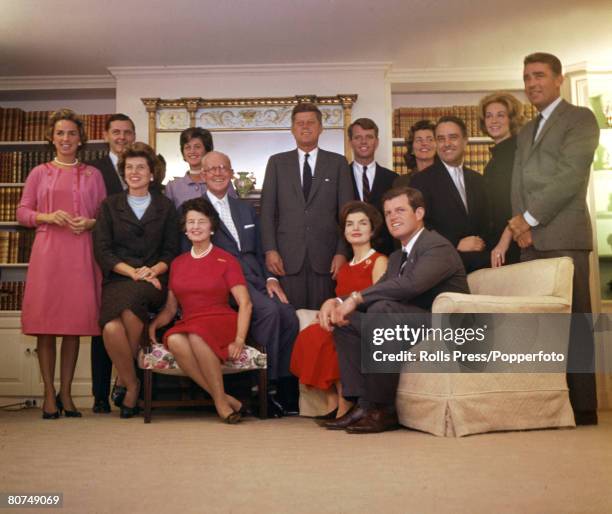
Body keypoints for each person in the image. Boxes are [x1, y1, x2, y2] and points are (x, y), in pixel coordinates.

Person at [318, 187, 468, 433]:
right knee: (346, 321)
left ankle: (384, 409)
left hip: (445, 324)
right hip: (409, 322)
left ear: (419, 213)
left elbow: (409, 286)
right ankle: (362, 404)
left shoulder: (436, 246)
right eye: (388, 213)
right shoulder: (398, 256)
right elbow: (381, 288)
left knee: (382, 309)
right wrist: (334, 301)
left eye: (400, 210)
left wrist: (355, 297)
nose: (393, 217)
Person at [509, 52, 600, 425]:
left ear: (559, 79)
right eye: (527, 77)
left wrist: (529, 218)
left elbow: (570, 175)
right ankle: (545, 407)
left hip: (564, 237)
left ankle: (583, 409)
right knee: (540, 330)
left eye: (540, 76)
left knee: (575, 325)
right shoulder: (526, 130)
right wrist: (519, 225)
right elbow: (517, 182)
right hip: (529, 243)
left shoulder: (580, 118)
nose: (532, 83)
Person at [17, 108, 106, 419]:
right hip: (48, 252)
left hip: (81, 252)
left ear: (80, 139)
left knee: (73, 326)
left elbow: (103, 216)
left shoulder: (94, 175)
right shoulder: (39, 172)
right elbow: (23, 212)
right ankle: (47, 394)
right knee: (46, 327)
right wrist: (47, 216)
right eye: (60, 133)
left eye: (71, 133)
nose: (66, 138)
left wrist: (91, 222)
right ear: (51, 138)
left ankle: (66, 393)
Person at [202, 150, 300, 415]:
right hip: (223, 280)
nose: (219, 173)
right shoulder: (196, 210)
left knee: (288, 314)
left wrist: (270, 278)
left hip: (255, 275)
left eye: (224, 168)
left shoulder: (244, 208)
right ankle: (262, 389)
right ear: (203, 175)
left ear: (232, 174)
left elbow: (259, 249)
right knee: (268, 312)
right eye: (212, 169)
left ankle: (283, 386)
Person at [93, 142, 179, 418]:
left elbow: (171, 250)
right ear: (123, 172)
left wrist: (152, 271)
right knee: (111, 329)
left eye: (141, 167)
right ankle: (132, 381)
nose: (135, 172)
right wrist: (133, 272)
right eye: (129, 167)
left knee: (131, 307)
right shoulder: (109, 205)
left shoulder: (165, 206)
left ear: (152, 173)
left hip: (154, 281)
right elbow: (103, 251)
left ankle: (125, 384)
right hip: (118, 278)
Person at [148, 198, 252, 424]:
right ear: (184, 228)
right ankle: (223, 397)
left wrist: (239, 339)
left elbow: (245, 303)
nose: (195, 226)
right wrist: (155, 324)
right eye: (190, 222)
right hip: (192, 322)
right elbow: (171, 307)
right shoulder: (177, 263)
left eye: (201, 222)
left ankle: (220, 404)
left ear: (212, 227)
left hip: (221, 320)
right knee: (174, 339)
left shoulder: (227, 260)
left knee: (196, 335)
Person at [290, 201, 388, 419]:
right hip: (341, 321)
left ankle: (346, 402)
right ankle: (335, 400)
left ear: (372, 229)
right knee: (311, 335)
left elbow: (378, 301)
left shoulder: (379, 260)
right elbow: (339, 298)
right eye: (350, 224)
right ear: (344, 231)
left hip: (363, 323)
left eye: (362, 223)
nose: (355, 228)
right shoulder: (343, 268)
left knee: (326, 337)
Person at [260, 102, 355, 310]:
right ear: (292, 129)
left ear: (321, 128)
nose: (305, 127)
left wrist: (342, 252)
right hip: (286, 258)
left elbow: (347, 215)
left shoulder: (337, 163)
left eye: (311, 123)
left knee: (324, 320)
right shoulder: (276, 163)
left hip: (327, 259)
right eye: (300, 123)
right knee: (291, 320)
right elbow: (267, 212)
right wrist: (270, 249)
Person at [88, 113, 136, 414]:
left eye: (127, 133)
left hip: (138, 261)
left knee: (130, 323)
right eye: (116, 132)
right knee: (103, 325)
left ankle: (127, 385)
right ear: (107, 135)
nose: (122, 137)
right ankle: (99, 395)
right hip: (105, 259)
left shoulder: (143, 166)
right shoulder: (93, 170)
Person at [410, 116, 490, 273]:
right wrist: (454, 243)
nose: (447, 144)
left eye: (453, 137)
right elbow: (418, 226)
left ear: (465, 140)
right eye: (441, 139)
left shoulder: (479, 180)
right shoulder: (420, 181)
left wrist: (481, 243)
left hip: (482, 266)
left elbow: (489, 221)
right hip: (443, 267)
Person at [478, 92, 525, 268]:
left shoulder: (517, 153)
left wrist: (504, 241)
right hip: (498, 243)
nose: (493, 121)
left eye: (500, 115)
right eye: (489, 116)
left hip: (514, 241)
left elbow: (521, 203)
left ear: (511, 119)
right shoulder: (494, 160)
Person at [347, 118, 398, 255]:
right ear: (350, 142)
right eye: (358, 137)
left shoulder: (393, 179)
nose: (364, 142)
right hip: (350, 254)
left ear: (377, 142)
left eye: (369, 137)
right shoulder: (340, 177)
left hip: (386, 253)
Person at [165, 127, 236, 211]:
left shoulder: (222, 180)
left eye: (197, 147)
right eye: (187, 147)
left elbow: (234, 213)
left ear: (207, 150)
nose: (192, 151)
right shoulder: (173, 187)